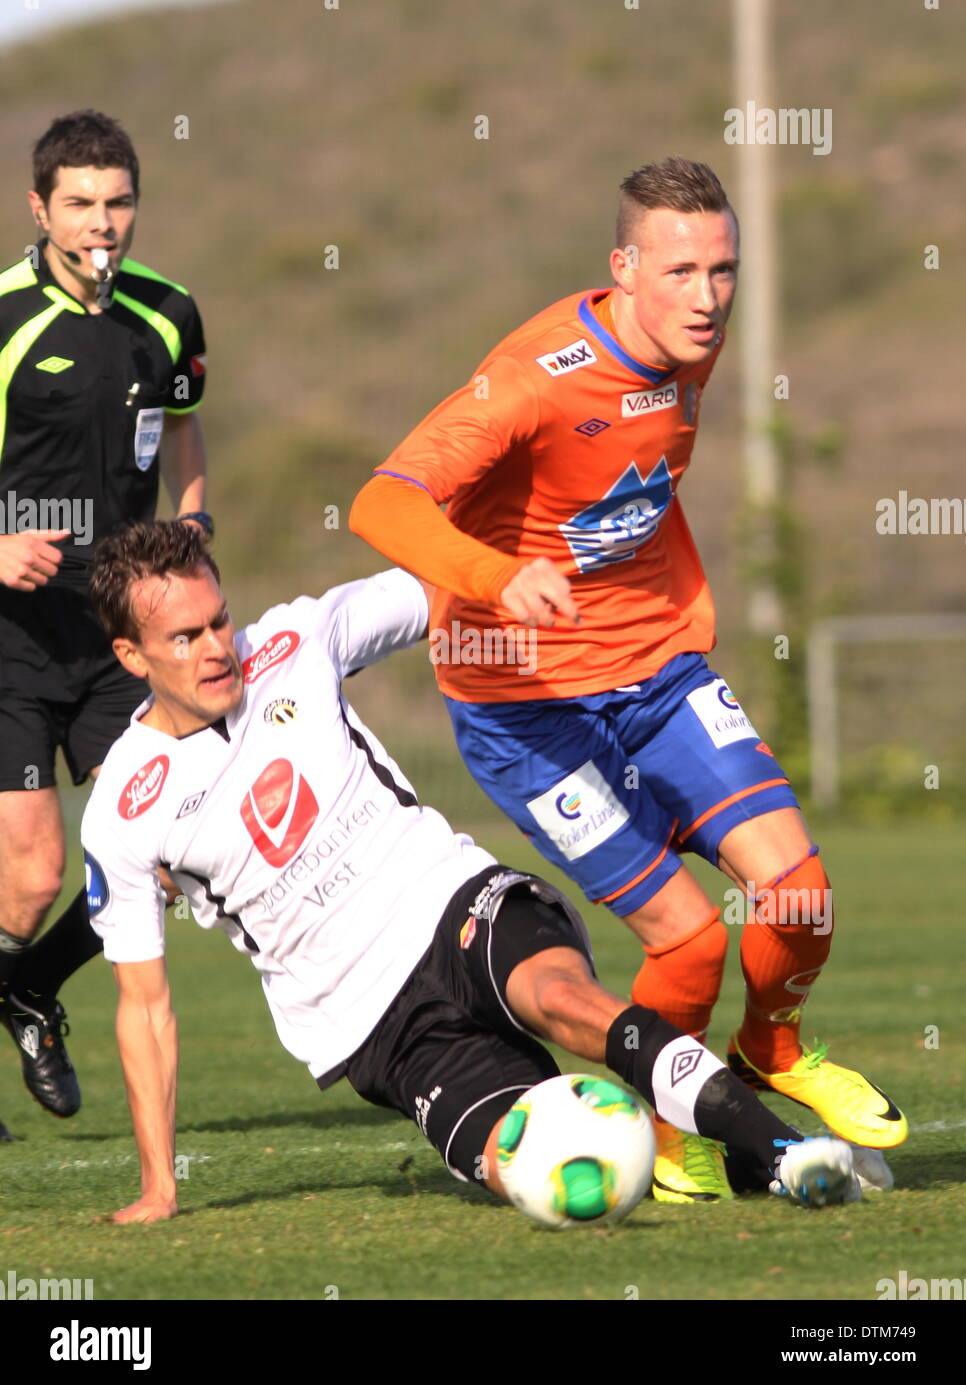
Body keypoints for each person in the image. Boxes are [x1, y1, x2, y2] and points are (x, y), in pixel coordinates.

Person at [348, 156, 906, 1203]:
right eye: (682, 270)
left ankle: (773, 1050)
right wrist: (497, 578)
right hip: (526, 708)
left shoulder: (696, 345)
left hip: (654, 671)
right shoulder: (533, 376)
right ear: (624, 268)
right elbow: (383, 503)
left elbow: (636, 487)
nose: (707, 296)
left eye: (724, 270)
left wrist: (679, 593)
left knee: (799, 893)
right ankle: (673, 1124)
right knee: (690, 943)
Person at [76, 520, 868, 1224]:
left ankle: (788, 1155)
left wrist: (548, 560)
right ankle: (726, 1152)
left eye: (218, 620)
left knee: (563, 1001)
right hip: (370, 1023)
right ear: (130, 654)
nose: (217, 647)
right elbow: (144, 1008)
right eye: (185, 637)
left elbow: (445, 582)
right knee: (543, 1178)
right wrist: (159, 1186)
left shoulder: (297, 641)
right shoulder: (123, 806)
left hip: (453, 900)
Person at [0, 110, 210, 1134]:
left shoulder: (169, 314)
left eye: (118, 201)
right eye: (80, 203)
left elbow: (182, 426)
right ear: (39, 208)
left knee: (160, 860)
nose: (103, 222)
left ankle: (29, 990)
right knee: (33, 875)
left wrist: (194, 523)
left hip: (117, 635)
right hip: (12, 637)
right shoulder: (2, 319)